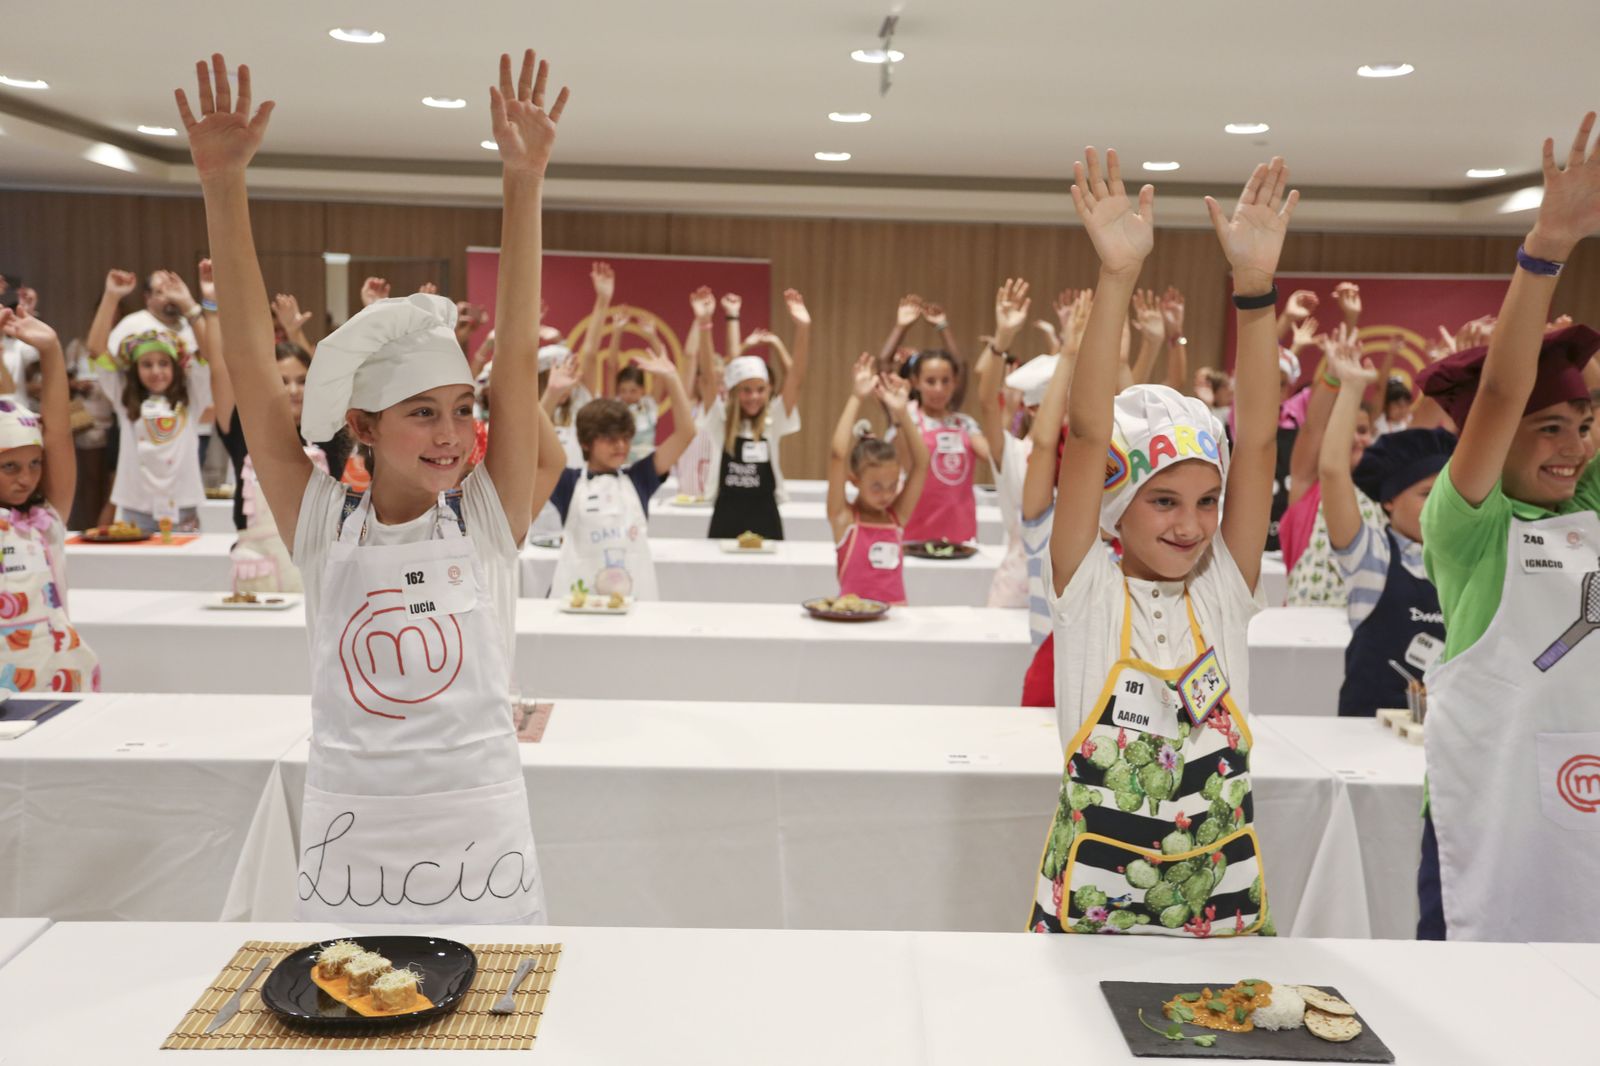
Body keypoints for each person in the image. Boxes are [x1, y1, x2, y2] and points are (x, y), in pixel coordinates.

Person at [181, 46, 568, 924]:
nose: (453, 435)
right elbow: (248, 361)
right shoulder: (321, 524)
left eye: (463, 411)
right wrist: (222, 184)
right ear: (363, 427)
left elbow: (514, 357)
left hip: (483, 830)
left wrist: (523, 180)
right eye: (421, 414)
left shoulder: (486, 520)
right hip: (350, 834)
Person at [1030, 147, 1295, 936]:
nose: (1192, 524)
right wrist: (1116, 277)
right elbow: (1084, 434)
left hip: (1220, 898)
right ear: (1116, 508)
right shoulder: (1088, 591)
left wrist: (1253, 291)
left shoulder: (1221, 588)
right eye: (1165, 501)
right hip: (1091, 903)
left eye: (1208, 502)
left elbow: (1256, 449)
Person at [1412, 112, 1600, 943]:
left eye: (1585, 425)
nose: (1574, 448)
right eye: (1550, 427)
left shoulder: (1587, 504)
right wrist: (1546, 252)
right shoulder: (1472, 525)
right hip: (1486, 807)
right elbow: (1498, 394)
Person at [1316, 341, 1453, 716]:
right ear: (1389, 500)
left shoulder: (1463, 564)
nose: (1440, 508)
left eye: (1447, 496)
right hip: (1366, 734)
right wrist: (1353, 387)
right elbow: (1332, 471)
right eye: (1427, 495)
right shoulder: (1371, 557)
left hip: (1440, 737)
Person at [0, 307, 99, 693]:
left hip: (52, 680)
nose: (26, 478)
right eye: (9, 467)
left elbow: (58, 434)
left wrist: (52, 351)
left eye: (35, 464)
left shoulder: (46, 519)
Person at [547, 351, 696, 601]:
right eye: (610, 438)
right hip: (579, 604)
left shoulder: (640, 478)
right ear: (585, 442)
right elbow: (529, 447)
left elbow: (686, 433)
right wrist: (551, 395)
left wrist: (672, 378)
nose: (620, 446)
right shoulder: (568, 483)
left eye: (625, 437)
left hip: (633, 603)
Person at [88, 275, 220, 534]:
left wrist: (190, 305)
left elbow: (210, 353)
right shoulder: (124, 396)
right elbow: (95, 349)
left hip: (183, 508)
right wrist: (111, 296)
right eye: (147, 365)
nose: (156, 371)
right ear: (135, 369)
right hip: (136, 508)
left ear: (176, 367)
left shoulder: (191, 396)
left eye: (163, 363)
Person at [702, 290, 809, 540]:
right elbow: (708, 379)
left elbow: (796, 379)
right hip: (726, 513)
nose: (753, 397)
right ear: (735, 392)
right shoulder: (721, 421)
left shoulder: (775, 419)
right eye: (746, 391)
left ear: (769, 389)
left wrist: (804, 328)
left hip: (765, 513)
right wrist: (705, 324)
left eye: (760, 390)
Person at [827, 353, 928, 605]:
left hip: (897, 619)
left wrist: (902, 413)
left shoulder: (897, 517)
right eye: (876, 486)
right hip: (853, 620)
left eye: (893, 486)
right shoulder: (843, 518)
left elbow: (922, 463)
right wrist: (856, 397)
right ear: (854, 480)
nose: (886, 494)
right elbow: (837, 455)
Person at [975, 278, 1036, 607]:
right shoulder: (1014, 451)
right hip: (1016, 586)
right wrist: (1002, 339)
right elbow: (986, 402)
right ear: (1035, 407)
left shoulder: (1081, 458)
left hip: (1073, 595)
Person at [893, 343, 988, 545]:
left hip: (960, 533)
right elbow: (907, 464)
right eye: (930, 381)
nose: (939, 389)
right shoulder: (905, 419)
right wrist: (899, 413)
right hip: (913, 531)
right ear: (915, 382)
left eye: (946, 381)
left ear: (955, 383)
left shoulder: (965, 423)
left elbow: (992, 456)